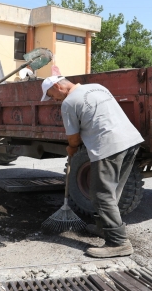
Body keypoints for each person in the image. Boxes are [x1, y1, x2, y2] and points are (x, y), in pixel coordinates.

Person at [40, 76, 144, 258]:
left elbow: (73, 138)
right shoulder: (97, 87)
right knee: (113, 191)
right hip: (131, 141)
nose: (53, 100)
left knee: (101, 194)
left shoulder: (69, 103)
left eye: (51, 95)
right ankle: (105, 227)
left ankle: (118, 243)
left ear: (58, 86)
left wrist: (71, 148)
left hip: (108, 146)